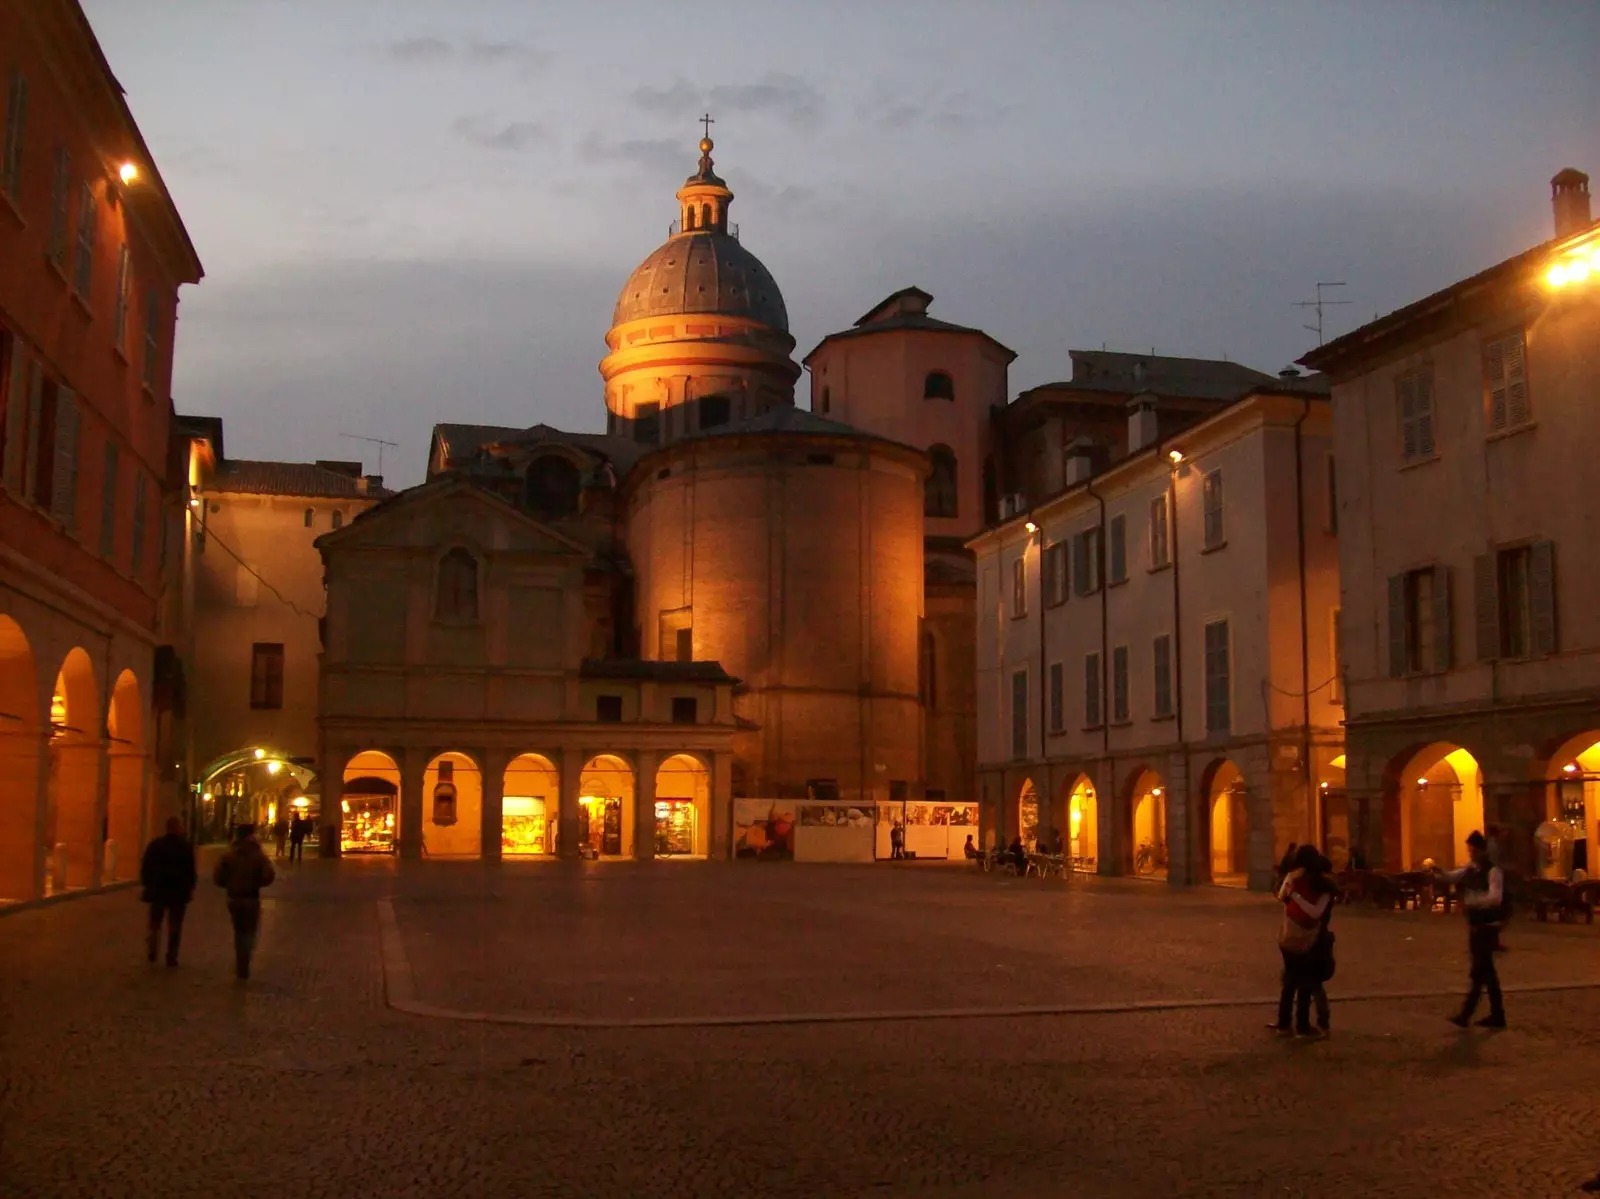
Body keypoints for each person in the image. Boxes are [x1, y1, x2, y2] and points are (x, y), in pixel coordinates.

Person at [1435, 830, 1506, 1029]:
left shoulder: (1493, 871)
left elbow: (1495, 897)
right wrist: (1439, 872)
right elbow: (1452, 877)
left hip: (1487, 927)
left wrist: (1475, 901)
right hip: (1476, 927)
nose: (1471, 853)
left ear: (1482, 850)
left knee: (1479, 971)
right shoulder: (1471, 869)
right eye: (1469, 849)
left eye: (1473, 849)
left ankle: (1466, 1014)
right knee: (1487, 973)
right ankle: (1497, 1015)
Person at [1270, 845, 1333, 1038]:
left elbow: (1281, 896)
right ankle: (1303, 1027)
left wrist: (1293, 894)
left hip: (1288, 936)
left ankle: (1284, 1024)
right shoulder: (1324, 885)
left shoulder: (1294, 878)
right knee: (1306, 983)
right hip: (1310, 938)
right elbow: (1316, 912)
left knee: (1290, 981)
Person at [214, 824, 276, 981]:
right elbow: (268, 875)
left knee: (238, 931)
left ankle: (240, 960)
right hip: (250, 897)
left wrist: (229, 884)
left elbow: (218, 877)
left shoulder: (230, 854)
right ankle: (244, 962)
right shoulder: (257, 854)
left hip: (234, 897)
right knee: (249, 932)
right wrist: (258, 882)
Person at [140, 817, 197, 967]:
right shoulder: (185, 847)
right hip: (178, 892)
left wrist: (148, 884)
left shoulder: (155, 845)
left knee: (155, 923)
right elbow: (190, 871)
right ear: (177, 828)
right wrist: (190, 888)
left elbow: (146, 866)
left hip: (158, 890)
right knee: (175, 925)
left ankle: (152, 948)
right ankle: (171, 955)